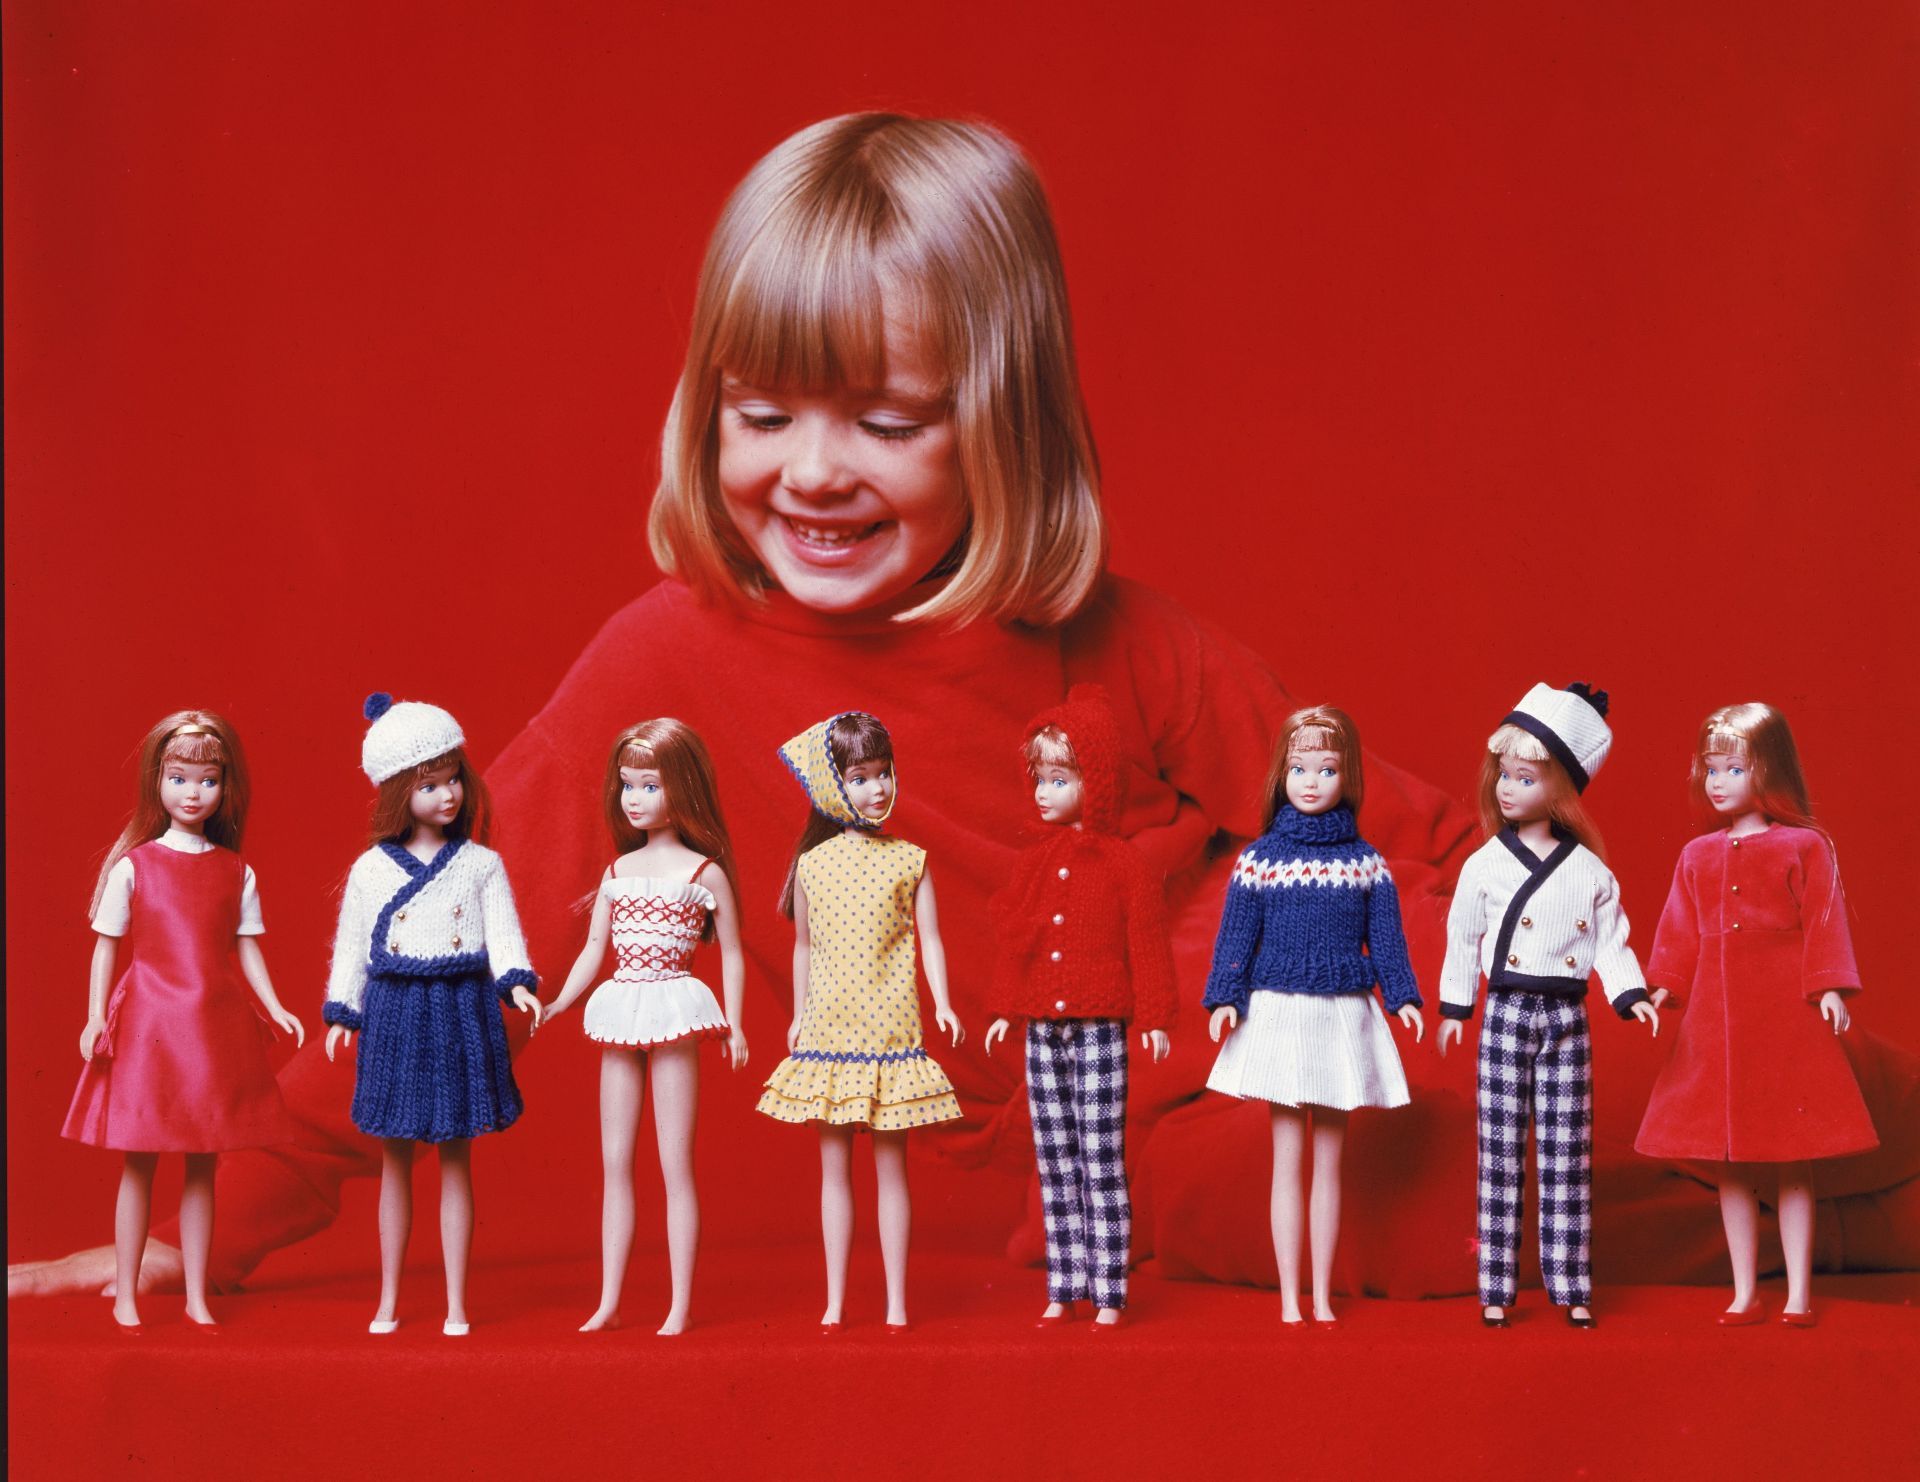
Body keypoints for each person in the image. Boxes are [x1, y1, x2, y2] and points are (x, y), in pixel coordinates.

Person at [11, 112, 1473, 1307]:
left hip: (1268, 1021)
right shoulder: (668, 667)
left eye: (887, 423)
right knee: (1388, 1223)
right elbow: (429, 948)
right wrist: (201, 1224)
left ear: (1007, 424)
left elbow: (1413, 832)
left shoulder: (1135, 644)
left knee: (1519, 1103)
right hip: (1135, 1134)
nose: (813, 471)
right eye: (760, 413)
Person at [1633, 703, 1876, 1327]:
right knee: (1729, 1161)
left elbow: (1824, 920)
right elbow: (1679, 930)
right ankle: (1744, 1290)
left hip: (1784, 1017)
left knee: (1793, 1159)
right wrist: (1664, 985)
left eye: (1733, 768)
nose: (1717, 782)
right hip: (1715, 1023)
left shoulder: (1805, 846)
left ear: (1766, 770)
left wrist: (1827, 987)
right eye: (1710, 769)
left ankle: (1797, 1293)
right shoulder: (1696, 855)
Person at [539, 719, 748, 1335]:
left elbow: (732, 951)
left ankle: (679, 1305)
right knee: (614, 1160)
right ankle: (609, 1300)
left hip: (674, 1008)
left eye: (649, 785)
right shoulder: (617, 872)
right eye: (627, 785)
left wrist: (735, 1024)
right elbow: (592, 949)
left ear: (680, 787)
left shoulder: (703, 873)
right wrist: (558, 1003)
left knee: (674, 1161)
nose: (633, 798)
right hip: (623, 1004)